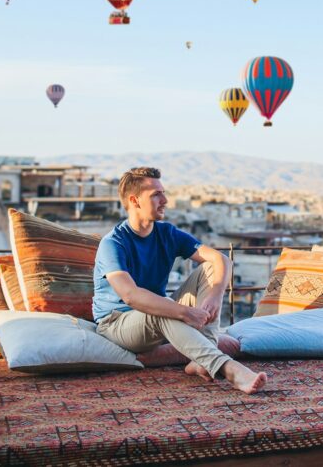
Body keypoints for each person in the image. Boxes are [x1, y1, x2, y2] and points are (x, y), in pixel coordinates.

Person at [93, 167, 267, 394]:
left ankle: (202, 357)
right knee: (162, 311)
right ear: (135, 200)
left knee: (210, 268)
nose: (165, 200)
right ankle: (228, 368)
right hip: (117, 322)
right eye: (156, 194)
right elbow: (131, 296)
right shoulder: (113, 243)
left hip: (153, 315)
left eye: (163, 192)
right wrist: (184, 312)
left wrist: (214, 296)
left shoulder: (166, 233)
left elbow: (220, 259)